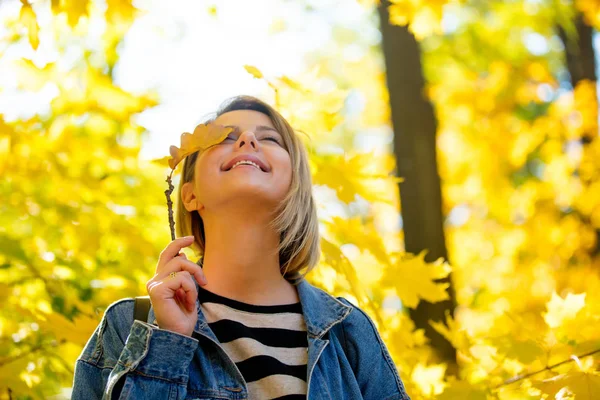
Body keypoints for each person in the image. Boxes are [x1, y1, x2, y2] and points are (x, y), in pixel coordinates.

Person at [71, 95, 411, 400]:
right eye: (225, 138)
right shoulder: (131, 325)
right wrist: (167, 344)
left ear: (295, 186)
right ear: (190, 195)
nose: (247, 140)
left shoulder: (348, 333)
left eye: (269, 138)